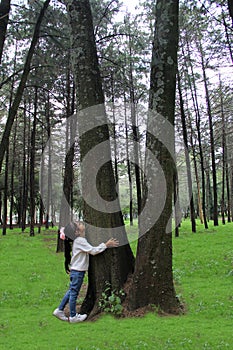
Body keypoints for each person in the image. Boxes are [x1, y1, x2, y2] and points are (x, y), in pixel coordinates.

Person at [53, 221, 119, 323]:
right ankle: (73, 316)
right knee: (74, 293)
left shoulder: (79, 240)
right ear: (77, 232)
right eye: (79, 224)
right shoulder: (80, 241)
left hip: (75, 271)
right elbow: (93, 251)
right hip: (78, 272)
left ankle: (59, 310)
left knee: (71, 291)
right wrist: (106, 245)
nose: (81, 223)